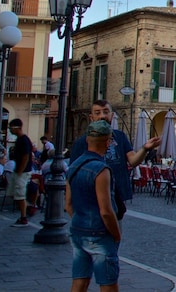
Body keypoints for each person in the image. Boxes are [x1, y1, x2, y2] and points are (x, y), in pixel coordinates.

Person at [70, 100, 161, 222]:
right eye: (97, 113)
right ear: (91, 117)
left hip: (116, 195)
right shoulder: (82, 142)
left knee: (115, 226)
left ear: (112, 115)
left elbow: (133, 161)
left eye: (106, 112)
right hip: (91, 197)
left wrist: (145, 149)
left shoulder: (120, 137)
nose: (102, 116)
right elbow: (73, 175)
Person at [66, 120, 122, 292]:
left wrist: (80, 221)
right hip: (99, 233)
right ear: (107, 142)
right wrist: (116, 234)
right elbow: (106, 210)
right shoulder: (101, 170)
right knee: (108, 283)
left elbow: (68, 204)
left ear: (87, 140)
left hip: (78, 230)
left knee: (79, 280)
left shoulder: (74, 165)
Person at [8, 119, 33, 227]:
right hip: (19, 171)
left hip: (22, 172)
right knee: (15, 193)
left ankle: (24, 218)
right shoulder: (20, 139)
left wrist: (20, 170)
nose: (10, 130)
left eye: (11, 128)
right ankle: (28, 208)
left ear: (16, 128)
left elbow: (26, 156)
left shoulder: (24, 140)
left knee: (20, 195)